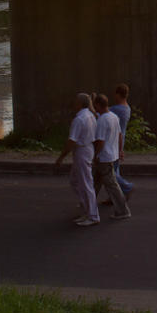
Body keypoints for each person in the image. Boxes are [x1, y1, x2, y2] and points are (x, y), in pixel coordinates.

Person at [54, 92, 100, 227]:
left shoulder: (79, 119)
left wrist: (61, 157)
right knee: (76, 181)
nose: (73, 103)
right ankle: (87, 210)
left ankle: (92, 215)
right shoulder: (91, 115)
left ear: (79, 103)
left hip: (82, 151)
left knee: (85, 184)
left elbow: (71, 141)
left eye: (75, 101)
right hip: (88, 148)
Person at [93, 93, 131, 220]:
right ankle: (88, 206)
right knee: (95, 182)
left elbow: (100, 141)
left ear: (98, 105)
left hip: (104, 157)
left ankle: (123, 210)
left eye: (95, 106)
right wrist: (120, 150)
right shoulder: (114, 117)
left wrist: (95, 155)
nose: (95, 109)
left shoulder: (102, 120)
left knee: (112, 186)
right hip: (112, 155)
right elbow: (120, 135)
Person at [109, 82, 133, 199]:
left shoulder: (117, 109)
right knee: (115, 169)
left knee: (111, 173)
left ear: (118, 94)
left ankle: (127, 187)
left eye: (115, 94)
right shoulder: (127, 108)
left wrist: (92, 104)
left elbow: (101, 113)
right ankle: (116, 196)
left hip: (115, 142)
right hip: (120, 140)